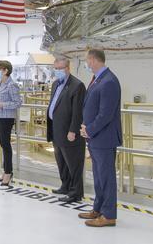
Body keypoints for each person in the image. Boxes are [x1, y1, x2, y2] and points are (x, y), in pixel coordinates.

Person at [79, 49, 122, 227]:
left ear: (94, 60)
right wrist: (86, 128)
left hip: (104, 138)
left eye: (87, 60)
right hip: (95, 137)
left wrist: (89, 130)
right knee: (98, 177)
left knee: (106, 178)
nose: (86, 64)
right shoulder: (98, 79)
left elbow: (106, 114)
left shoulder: (109, 81)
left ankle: (109, 215)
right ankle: (98, 209)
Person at [46, 57, 86, 202]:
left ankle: (76, 193)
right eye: (55, 68)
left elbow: (78, 112)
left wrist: (73, 130)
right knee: (61, 161)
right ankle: (65, 185)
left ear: (68, 68)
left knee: (73, 163)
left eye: (60, 68)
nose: (57, 71)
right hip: (56, 129)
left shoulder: (77, 85)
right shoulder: (56, 84)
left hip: (69, 131)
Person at [0, 60, 22, 186]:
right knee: (3, 144)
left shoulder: (11, 85)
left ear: (5, 71)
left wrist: (1, 104)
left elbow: (17, 103)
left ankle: (8, 172)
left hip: (6, 118)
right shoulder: (0, 83)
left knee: (6, 145)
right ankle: (6, 171)